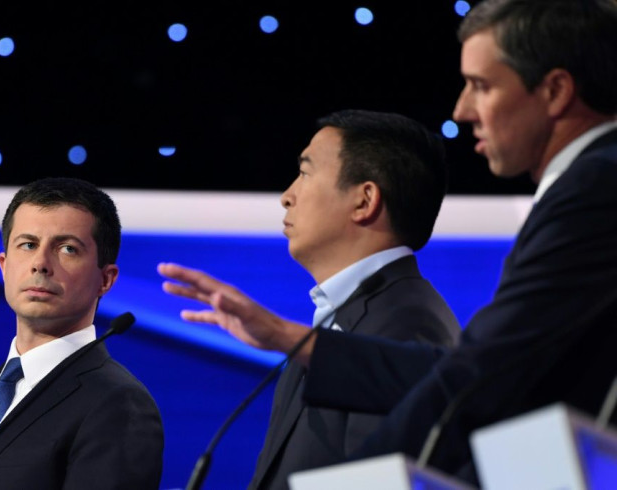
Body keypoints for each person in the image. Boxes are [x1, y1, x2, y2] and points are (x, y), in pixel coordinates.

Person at [300, 0, 617, 484]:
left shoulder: (597, 186)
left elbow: (492, 369)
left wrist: (359, 478)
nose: (461, 110)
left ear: (554, 90)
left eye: (482, 86)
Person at [158, 109, 461, 490]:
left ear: (364, 200)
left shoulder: (406, 323)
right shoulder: (343, 316)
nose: (287, 196)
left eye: (305, 172)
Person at [0, 177, 164, 489]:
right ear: (4, 265)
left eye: (67, 248)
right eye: (28, 244)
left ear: (106, 279)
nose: (40, 263)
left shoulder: (118, 404)